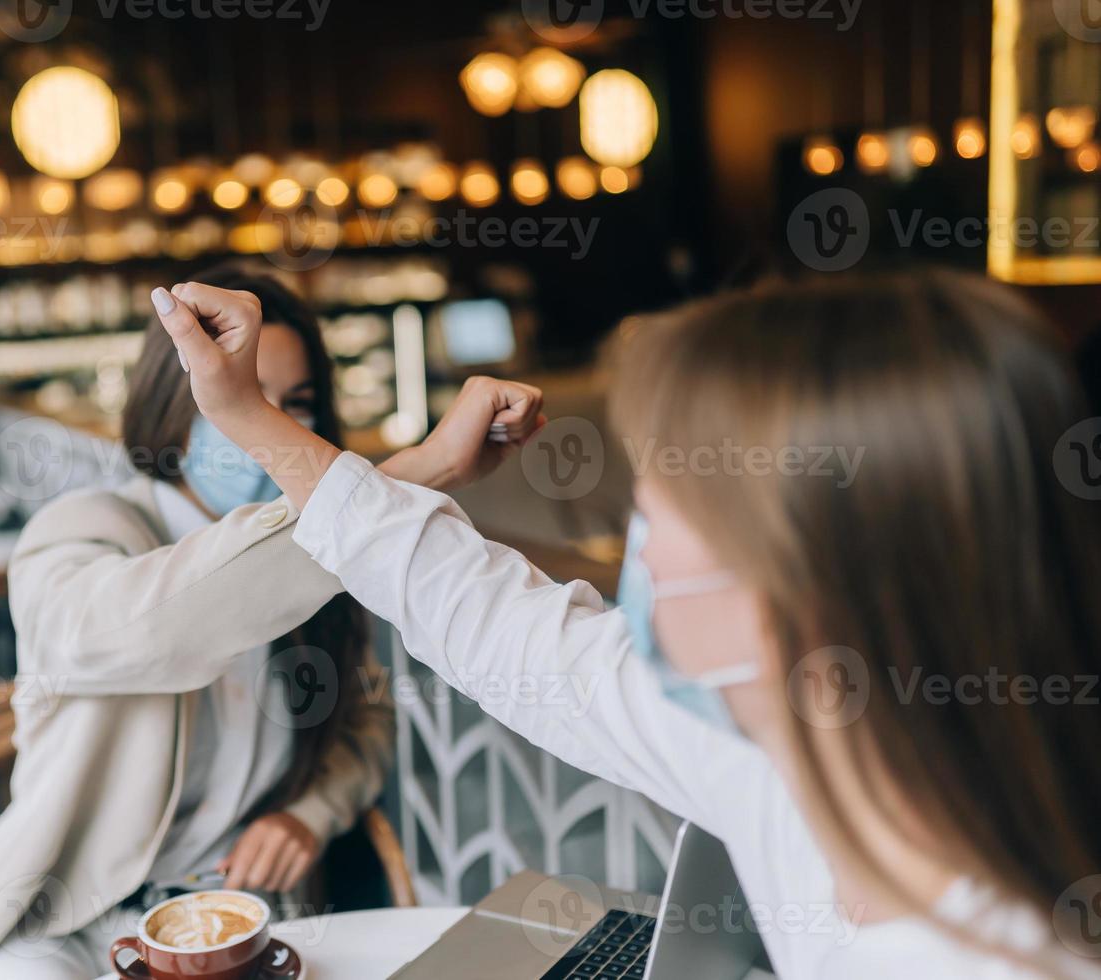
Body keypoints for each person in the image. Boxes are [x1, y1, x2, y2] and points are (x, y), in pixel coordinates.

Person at [153, 270, 1101, 978]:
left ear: (808, 579)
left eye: (671, 501)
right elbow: (493, 620)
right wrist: (252, 421)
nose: (635, 549)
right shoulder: (781, 737)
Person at [0, 267, 394, 980]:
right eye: (241, 396)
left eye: (298, 405)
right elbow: (148, 634)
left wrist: (310, 812)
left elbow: (368, 722)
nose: (270, 426)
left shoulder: (315, 566)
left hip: (239, 918)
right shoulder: (81, 531)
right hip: (70, 920)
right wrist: (382, 494)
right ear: (176, 401)